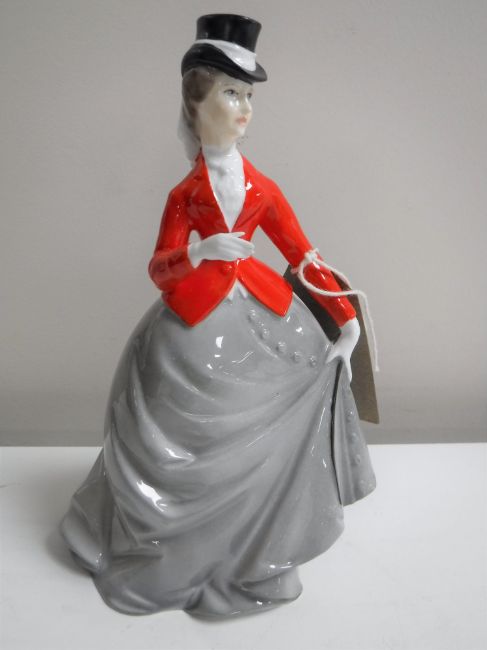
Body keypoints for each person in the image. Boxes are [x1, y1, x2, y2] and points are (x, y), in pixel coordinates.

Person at [60, 14, 376, 618]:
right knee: (172, 427)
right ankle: (176, 550)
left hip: (263, 313)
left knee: (285, 401)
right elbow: (160, 267)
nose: (245, 109)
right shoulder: (184, 195)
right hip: (193, 319)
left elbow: (303, 255)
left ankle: (254, 546)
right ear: (196, 103)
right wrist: (200, 251)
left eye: (248, 96)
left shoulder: (263, 189)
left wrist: (345, 317)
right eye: (232, 94)